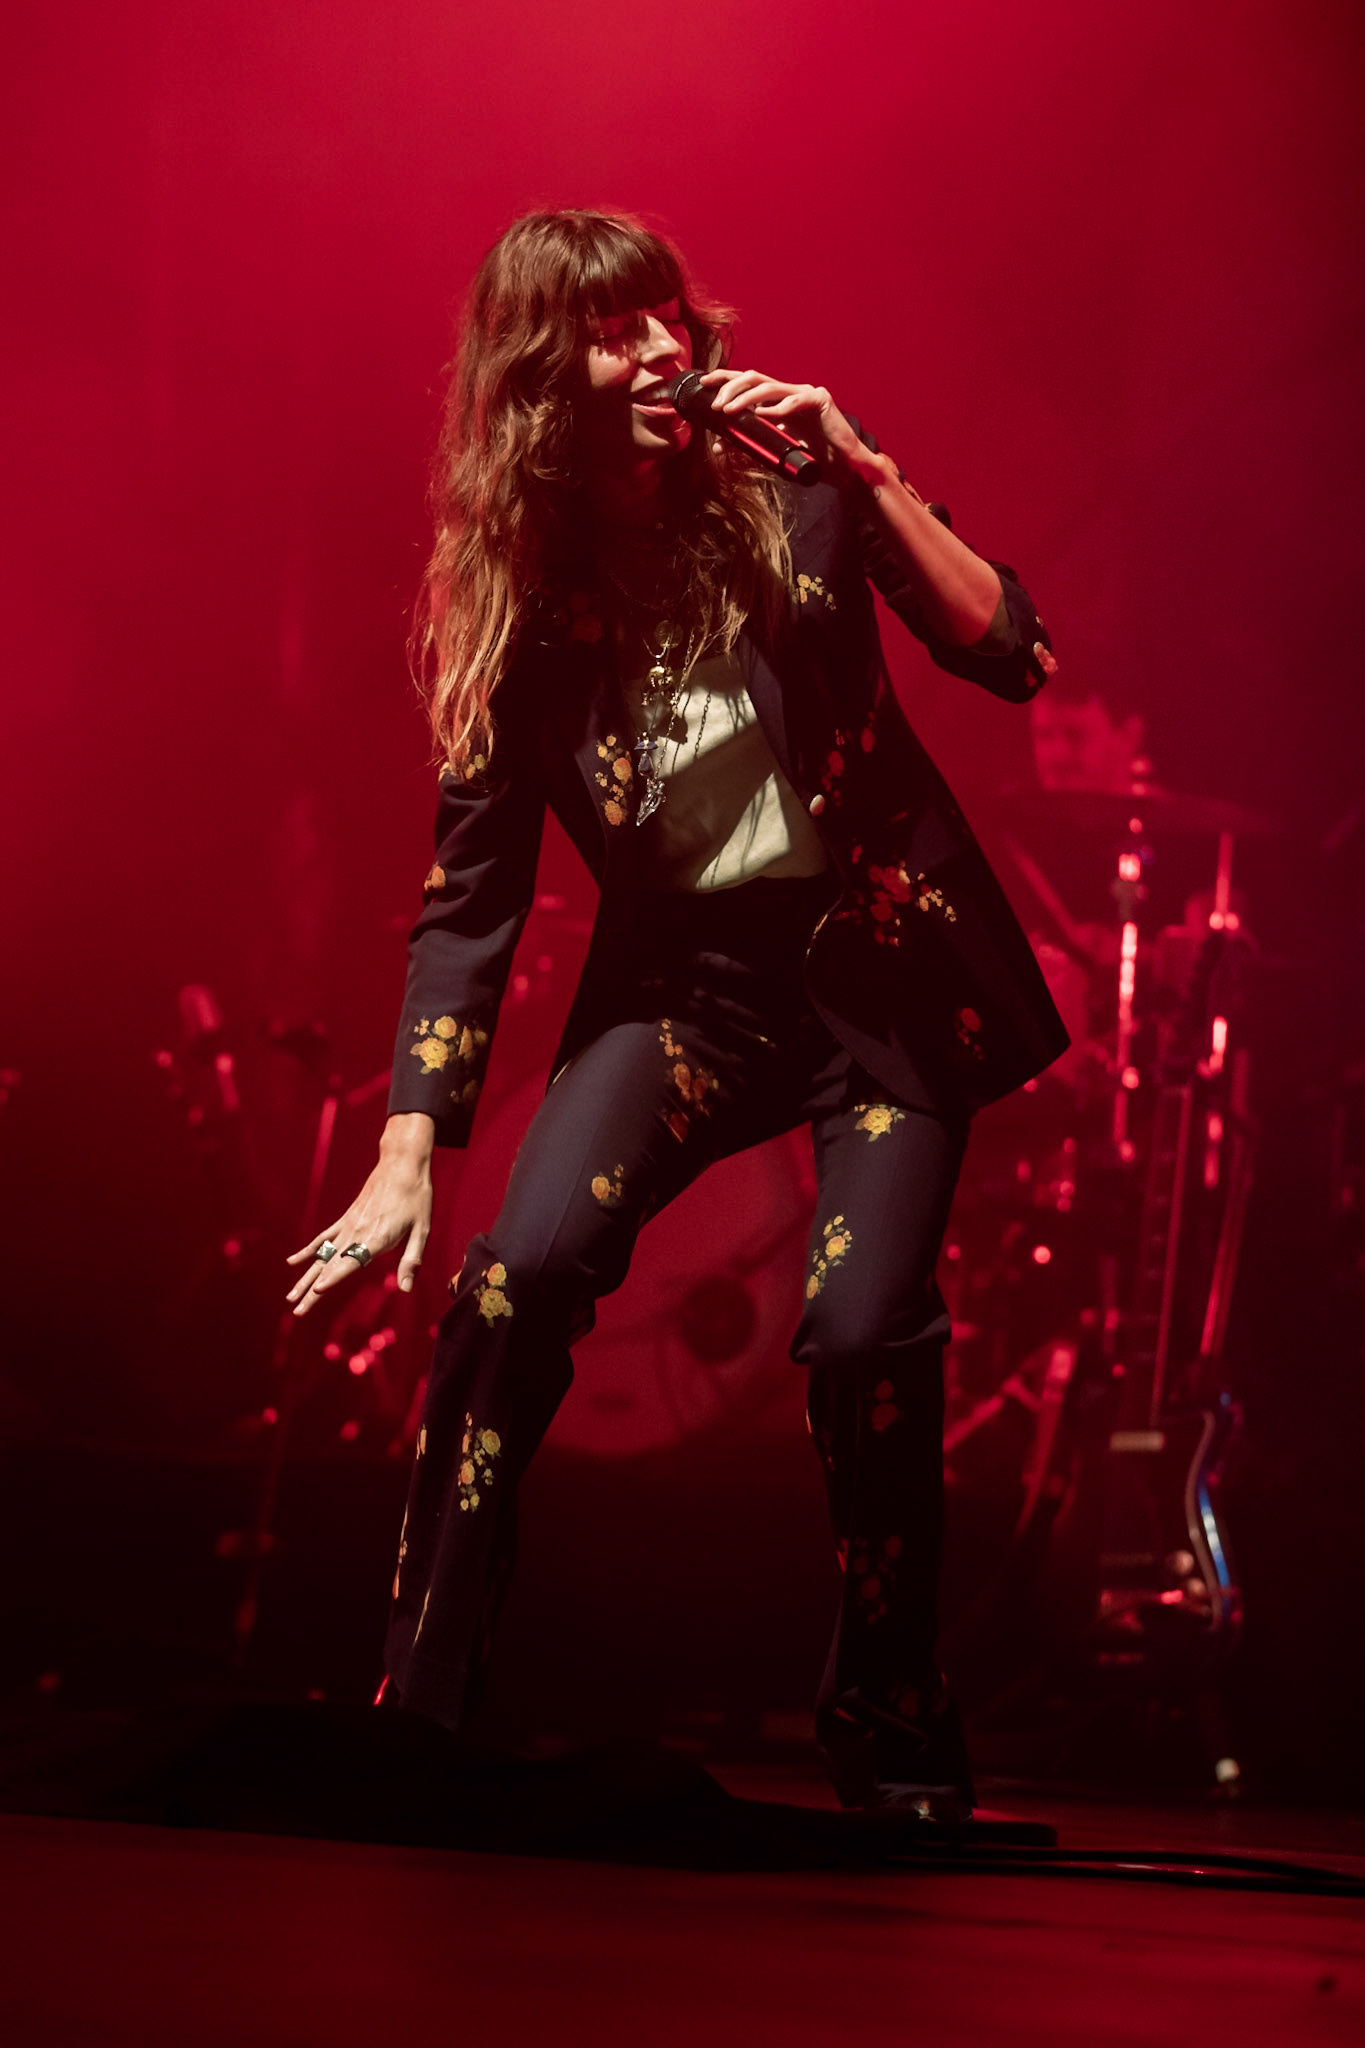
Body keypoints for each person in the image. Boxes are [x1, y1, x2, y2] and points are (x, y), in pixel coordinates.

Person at [285, 210, 1067, 1815]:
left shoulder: (793, 494)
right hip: (692, 989)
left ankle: (891, 1716)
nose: (661, 354)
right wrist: (407, 1148)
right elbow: (471, 901)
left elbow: (1009, 648)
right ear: (532, 381)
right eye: (612, 333)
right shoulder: (507, 597)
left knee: (859, 1335)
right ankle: (418, 1699)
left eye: (667, 319)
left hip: (879, 960)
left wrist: (859, 461)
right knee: (514, 1283)